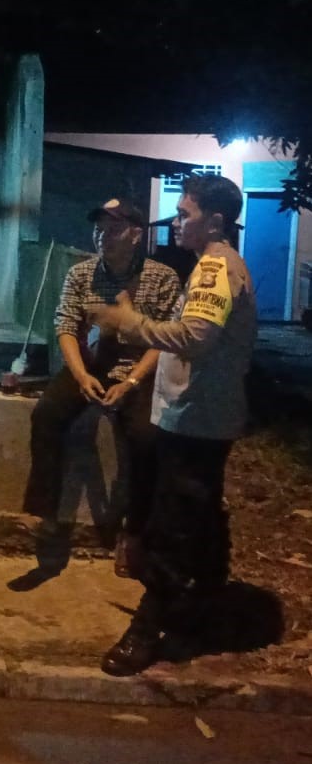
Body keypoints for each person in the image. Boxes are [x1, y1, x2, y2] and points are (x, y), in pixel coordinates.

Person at [87, 174, 257, 676]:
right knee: (201, 516)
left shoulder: (216, 267)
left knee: (173, 527)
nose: (176, 222)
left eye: (185, 214)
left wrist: (129, 323)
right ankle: (207, 608)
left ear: (215, 221)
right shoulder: (213, 263)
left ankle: (147, 630)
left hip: (197, 419)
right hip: (202, 416)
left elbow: (195, 337)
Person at [21, 199, 180, 577]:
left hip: (139, 370)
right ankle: (47, 515)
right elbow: (65, 327)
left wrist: (131, 382)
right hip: (91, 364)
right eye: (99, 229)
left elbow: (164, 340)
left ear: (135, 235)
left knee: (146, 437)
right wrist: (80, 375)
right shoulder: (81, 274)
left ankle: (135, 531)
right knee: (47, 414)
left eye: (113, 229)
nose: (102, 236)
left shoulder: (162, 278)